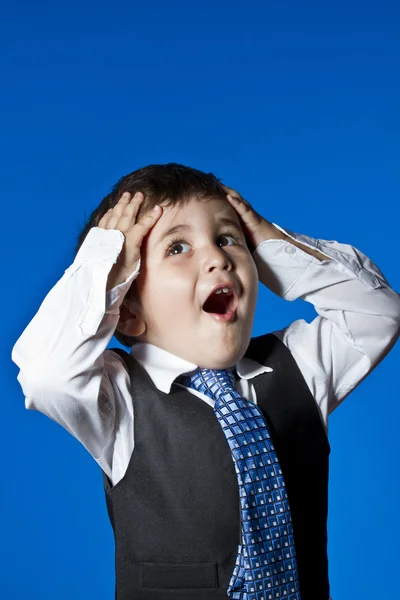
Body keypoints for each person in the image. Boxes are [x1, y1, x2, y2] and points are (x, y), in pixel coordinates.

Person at [12, 163, 399, 600]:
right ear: (129, 310)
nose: (216, 257)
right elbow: (45, 375)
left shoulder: (300, 367)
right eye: (177, 247)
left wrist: (273, 244)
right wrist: (105, 269)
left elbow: (379, 314)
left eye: (228, 238)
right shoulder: (118, 399)